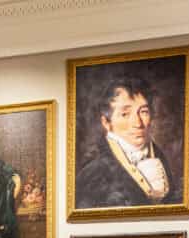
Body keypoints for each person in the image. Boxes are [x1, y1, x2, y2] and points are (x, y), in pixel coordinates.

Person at [75, 77, 179, 208]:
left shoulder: (161, 158)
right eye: (125, 114)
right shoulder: (93, 174)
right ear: (106, 122)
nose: (138, 123)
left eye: (144, 112)